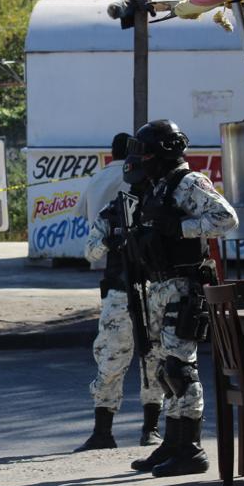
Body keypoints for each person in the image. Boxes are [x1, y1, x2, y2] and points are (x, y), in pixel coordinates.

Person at [125, 120, 238, 477]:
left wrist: (181, 228)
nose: (142, 158)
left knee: (180, 367)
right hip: (159, 286)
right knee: (163, 369)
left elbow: (226, 218)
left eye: (146, 151)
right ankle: (173, 441)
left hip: (183, 287)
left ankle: (190, 448)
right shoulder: (156, 187)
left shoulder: (187, 182)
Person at [74, 178, 164, 452]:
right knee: (110, 360)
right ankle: (102, 431)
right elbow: (90, 251)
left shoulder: (162, 207)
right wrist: (111, 241)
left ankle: (151, 428)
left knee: (154, 360)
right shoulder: (113, 212)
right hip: (119, 292)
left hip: (155, 291)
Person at [75, 133, 132, 270]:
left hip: (99, 255)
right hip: (128, 254)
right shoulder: (134, 176)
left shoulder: (97, 177)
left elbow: (81, 212)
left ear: (112, 152)